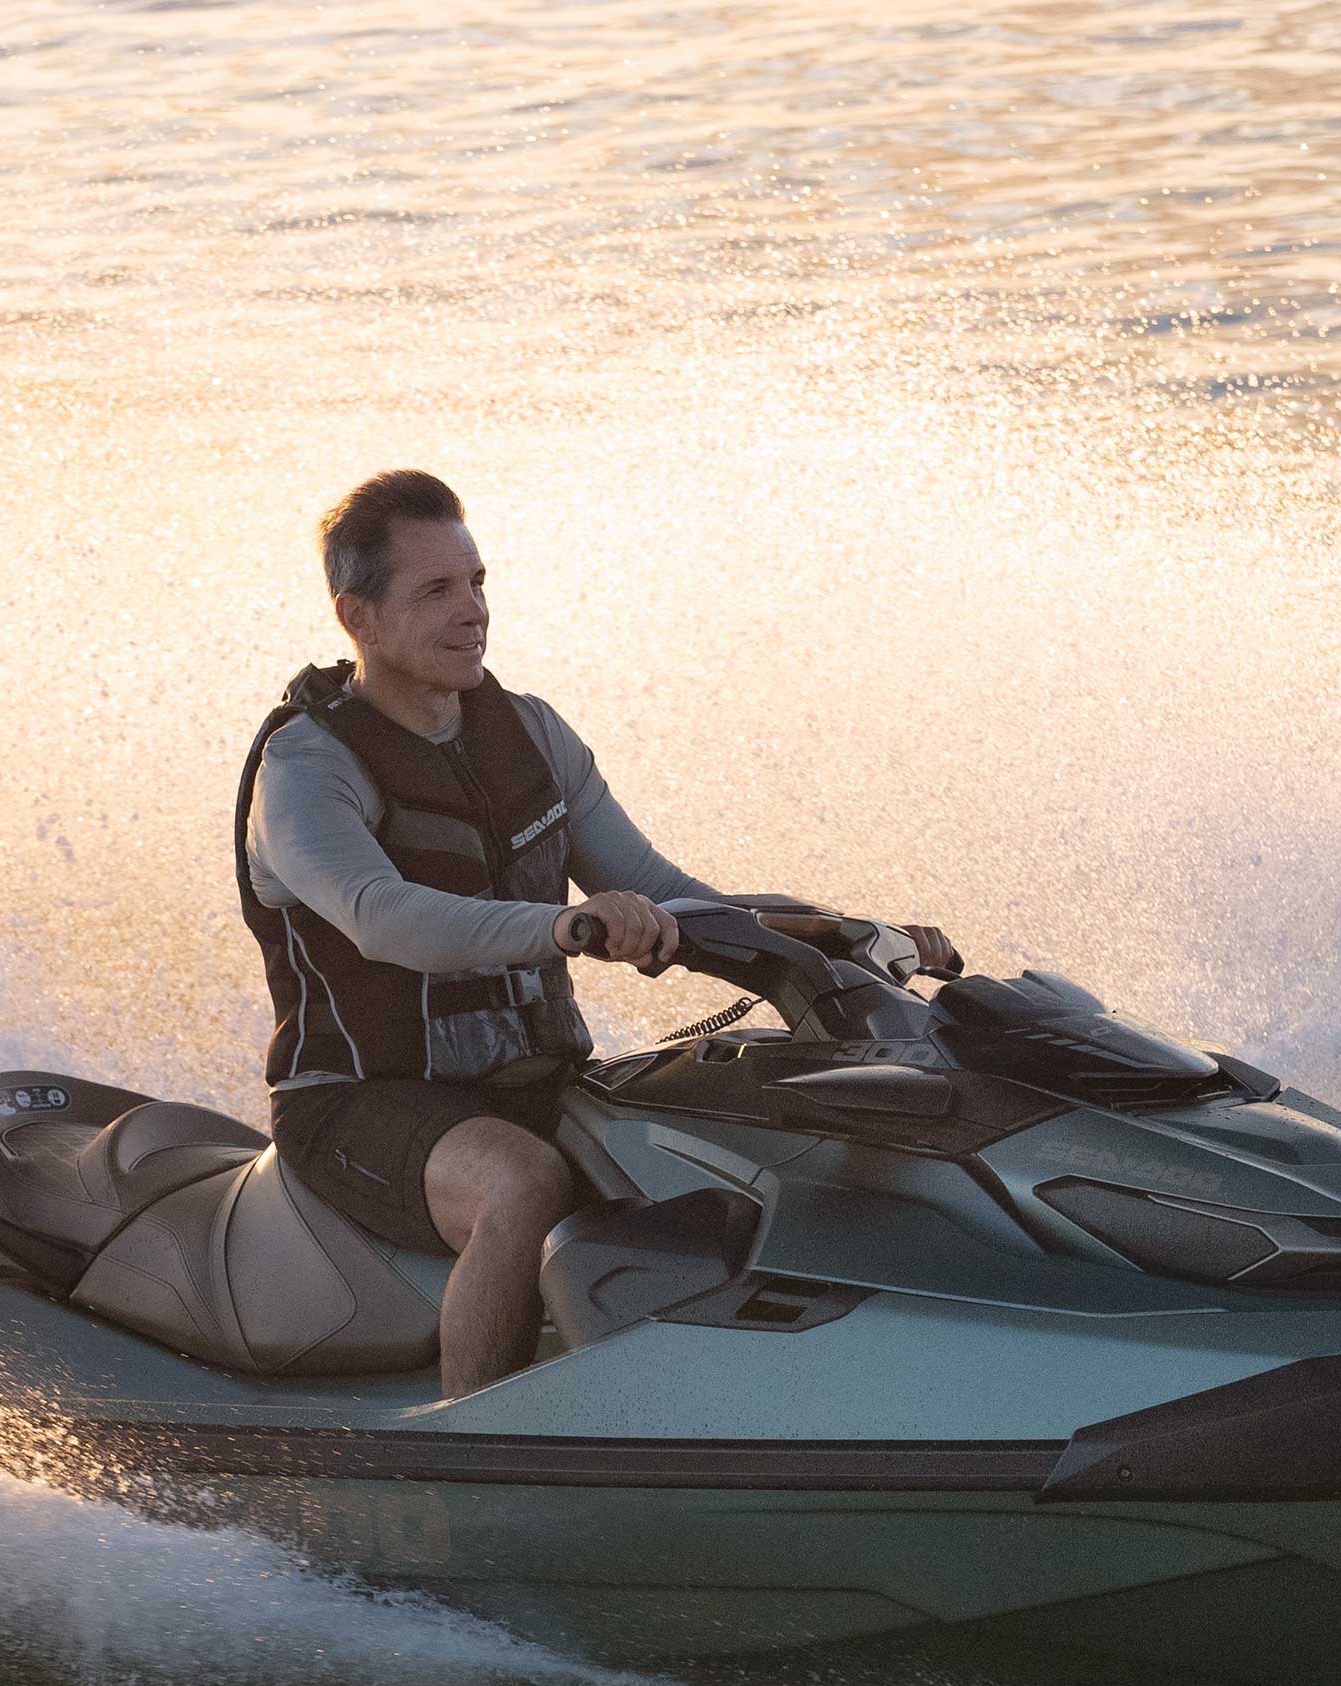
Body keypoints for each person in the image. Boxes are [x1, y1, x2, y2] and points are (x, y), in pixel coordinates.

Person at [236, 469, 958, 1396]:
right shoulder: (305, 766)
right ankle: (473, 1460)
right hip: (359, 1101)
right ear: (358, 617)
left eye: (479, 583)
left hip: (534, 1082)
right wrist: (566, 925)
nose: (474, 612)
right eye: (436, 591)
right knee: (521, 1184)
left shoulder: (529, 735)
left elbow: (663, 892)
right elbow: (386, 920)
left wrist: (847, 934)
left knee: (733, 1136)